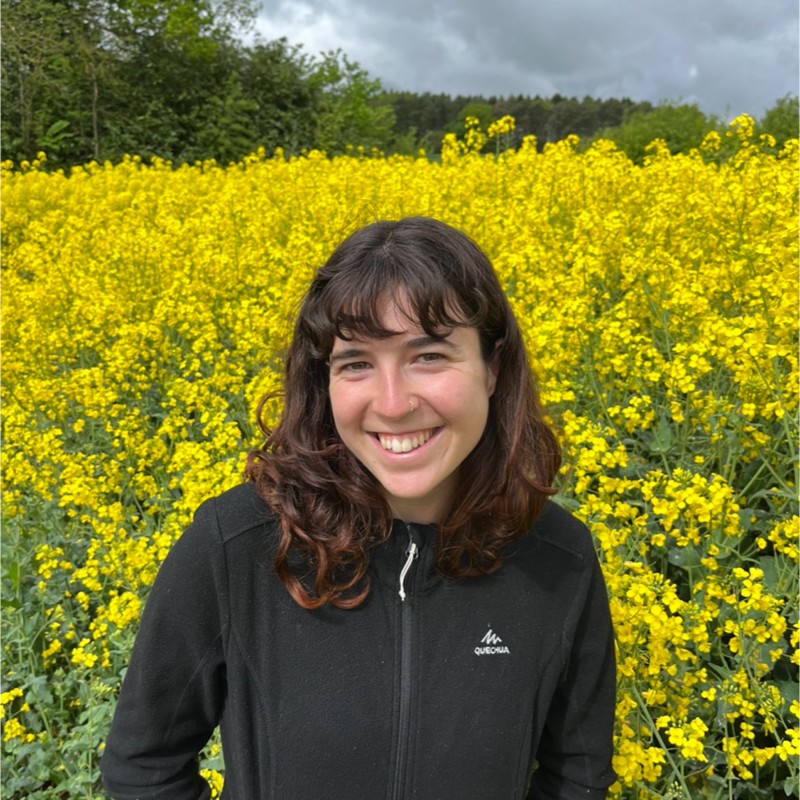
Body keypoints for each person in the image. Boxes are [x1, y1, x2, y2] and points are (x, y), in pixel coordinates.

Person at [100, 216, 616, 799]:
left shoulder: (559, 562)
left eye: (428, 356)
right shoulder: (236, 547)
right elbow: (143, 768)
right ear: (326, 381)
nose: (393, 405)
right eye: (356, 363)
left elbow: (578, 775)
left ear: (492, 368)